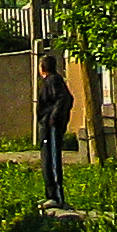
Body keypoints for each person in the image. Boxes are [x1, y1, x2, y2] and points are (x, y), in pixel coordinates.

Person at [34, 52, 74, 207]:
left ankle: (57, 197)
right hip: (47, 125)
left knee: (52, 159)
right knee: (46, 159)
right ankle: (50, 194)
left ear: (43, 68)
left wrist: (53, 119)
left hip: (51, 126)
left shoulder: (53, 81)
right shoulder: (51, 81)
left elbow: (64, 98)